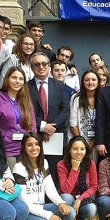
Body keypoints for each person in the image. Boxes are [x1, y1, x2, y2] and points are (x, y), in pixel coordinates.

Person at [12, 132, 75, 220]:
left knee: (70, 212)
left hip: (41, 208)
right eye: (29, 145)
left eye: (37, 144)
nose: (34, 148)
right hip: (26, 213)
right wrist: (49, 216)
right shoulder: (19, 168)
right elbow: (24, 202)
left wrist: (60, 203)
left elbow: (50, 188)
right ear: (24, 148)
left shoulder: (43, 163)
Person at [28, 52, 70, 185]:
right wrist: (42, 126)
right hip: (34, 134)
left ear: (48, 66)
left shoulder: (60, 85)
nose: (41, 67)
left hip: (55, 136)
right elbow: (26, 110)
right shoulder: (25, 87)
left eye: (44, 63)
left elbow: (65, 110)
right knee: (34, 169)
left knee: (54, 171)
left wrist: (51, 127)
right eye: (37, 64)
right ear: (32, 67)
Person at [0, 67, 36, 168]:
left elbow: (32, 125)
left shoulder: (25, 100)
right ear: (7, 79)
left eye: (21, 79)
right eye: (14, 78)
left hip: (24, 149)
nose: (17, 81)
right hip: (5, 149)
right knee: (11, 180)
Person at [57, 136, 98, 220]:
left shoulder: (90, 163)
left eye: (82, 149)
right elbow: (65, 190)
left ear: (86, 151)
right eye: (75, 149)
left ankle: (80, 219)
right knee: (66, 197)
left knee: (91, 209)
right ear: (69, 150)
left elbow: (94, 186)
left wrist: (80, 199)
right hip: (68, 198)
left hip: (82, 198)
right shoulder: (61, 164)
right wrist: (74, 169)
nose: (79, 152)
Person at [69, 70, 100, 154]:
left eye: (93, 80)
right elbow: (73, 124)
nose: (90, 82)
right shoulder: (76, 98)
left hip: (96, 142)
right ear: (82, 82)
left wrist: (92, 143)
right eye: (87, 80)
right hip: (78, 142)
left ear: (98, 82)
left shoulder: (101, 98)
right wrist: (82, 144)